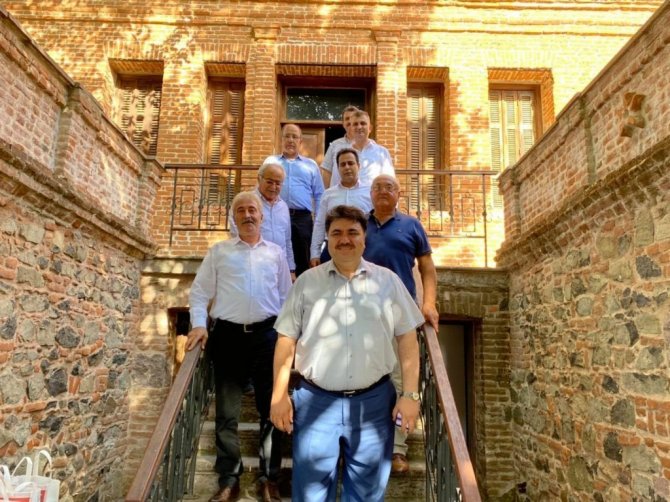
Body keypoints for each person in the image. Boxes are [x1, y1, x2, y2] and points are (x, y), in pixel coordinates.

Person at [270, 205, 425, 502]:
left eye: (352, 232)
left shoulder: (388, 282)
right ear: (327, 239)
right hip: (315, 401)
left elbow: (407, 339)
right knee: (310, 495)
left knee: (367, 495)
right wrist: (279, 395)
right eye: (336, 233)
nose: (345, 239)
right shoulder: (306, 283)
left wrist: (410, 395)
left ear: (364, 239)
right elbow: (286, 340)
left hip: (373, 403)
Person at [186, 191, 292, 502]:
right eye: (241, 211)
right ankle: (229, 479)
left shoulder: (276, 254)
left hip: (267, 338)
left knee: (271, 411)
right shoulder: (219, 252)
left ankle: (268, 479)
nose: (247, 215)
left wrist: (289, 338)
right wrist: (198, 325)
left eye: (252, 210)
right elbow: (199, 293)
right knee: (227, 414)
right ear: (234, 218)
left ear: (262, 216)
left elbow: (287, 299)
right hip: (228, 338)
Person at [364, 174, 439, 475]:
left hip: (400, 313)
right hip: (362, 312)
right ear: (370, 194)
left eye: (389, 188)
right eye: (377, 188)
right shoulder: (359, 224)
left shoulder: (411, 225)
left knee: (399, 381)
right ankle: (361, 444)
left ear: (399, 194)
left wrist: (428, 303)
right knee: (360, 376)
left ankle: (397, 448)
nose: (383, 191)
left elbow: (428, 269)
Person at [264, 124, 324, 277]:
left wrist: (319, 220)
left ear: (300, 141)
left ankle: (302, 290)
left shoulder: (310, 165)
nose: (290, 140)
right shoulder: (271, 162)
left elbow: (319, 195)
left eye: (294, 137)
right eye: (287, 136)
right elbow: (261, 188)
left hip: (302, 219)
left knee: (303, 259)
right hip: (276, 215)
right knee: (275, 255)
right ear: (281, 139)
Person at [229, 162, 296, 280]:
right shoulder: (246, 202)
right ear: (259, 179)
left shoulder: (283, 207)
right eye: (269, 182)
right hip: (252, 264)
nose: (273, 187)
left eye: (278, 183)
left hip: (279, 267)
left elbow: (287, 240)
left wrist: (291, 269)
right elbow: (236, 233)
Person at [309, 148, 372, 267]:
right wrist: (315, 253)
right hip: (333, 249)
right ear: (338, 169)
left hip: (362, 250)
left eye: (350, 163)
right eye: (343, 164)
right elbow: (320, 224)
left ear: (358, 166)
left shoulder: (369, 193)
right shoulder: (328, 194)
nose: (347, 167)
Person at [328, 110, 395, 187]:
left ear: (370, 128)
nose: (359, 127)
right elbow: (335, 183)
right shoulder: (343, 155)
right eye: (355, 124)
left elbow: (390, 181)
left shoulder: (382, 152)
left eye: (363, 123)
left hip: (373, 195)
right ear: (351, 129)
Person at [320, 105, 360, 188]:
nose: (350, 121)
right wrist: (328, 192)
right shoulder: (334, 145)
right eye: (347, 119)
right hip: (338, 194)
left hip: (361, 194)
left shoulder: (367, 146)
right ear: (343, 124)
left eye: (353, 118)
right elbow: (326, 171)